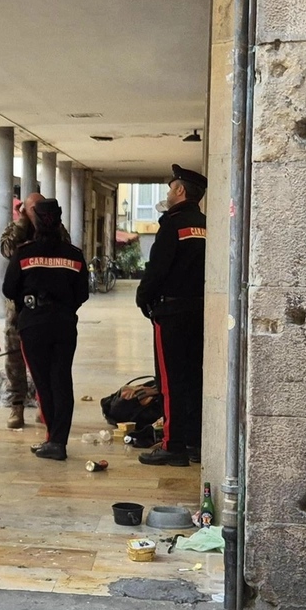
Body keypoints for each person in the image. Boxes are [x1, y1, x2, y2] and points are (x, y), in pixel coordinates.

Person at [2, 198, 89, 461]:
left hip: (33, 324)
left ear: (35, 220)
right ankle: (58, 441)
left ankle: (53, 441)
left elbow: (9, 289)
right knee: (62, 381)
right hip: (64, 324)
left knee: (44, 385)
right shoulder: (73, 254)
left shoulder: (25, 253)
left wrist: (30, 305)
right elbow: (82, 293)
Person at [135, 164, 207, 467]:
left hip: (172, 313)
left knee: (170, 381)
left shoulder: (172, 224)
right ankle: (193, 441)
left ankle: (172, 445)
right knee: (194, 378)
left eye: (171, 186)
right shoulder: (207, 225)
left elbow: (158, 270)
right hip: (199, 311)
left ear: (180, 191)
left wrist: (143, 298)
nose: (168, 191)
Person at [0, 192, 44, 429]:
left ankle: (42, 403)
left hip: (45, 305)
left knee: (43, 357)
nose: (37, 212)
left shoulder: (55, 228)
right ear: (24, 210)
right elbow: (7, 250)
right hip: (17, 307)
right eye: (33, 208)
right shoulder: (16, 228)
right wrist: (22, 222)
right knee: (15, 358)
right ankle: (17, 405)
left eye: (41, 207)